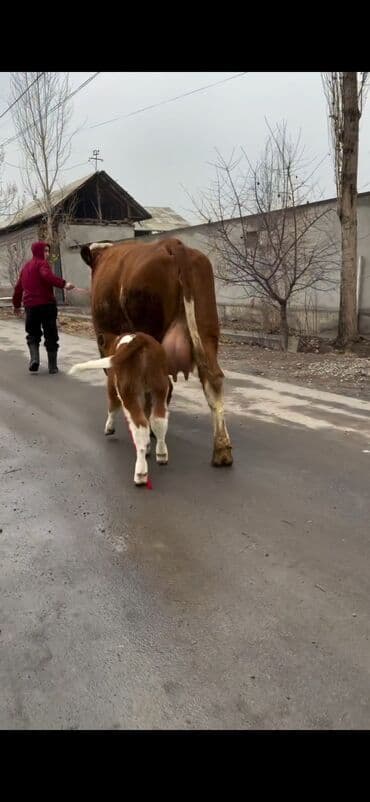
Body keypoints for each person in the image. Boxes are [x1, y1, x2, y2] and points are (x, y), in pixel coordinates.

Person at [12, 241, 75, 374]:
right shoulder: (42, 264)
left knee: (33, 334)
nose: (47, 254)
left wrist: (16, 305)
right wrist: (64, 284)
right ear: (38, 251)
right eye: (45, 251)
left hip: (30, 307)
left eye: (48, 251)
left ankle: (34, 359)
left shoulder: (25, 268)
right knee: (51, 334)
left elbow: (18, 288)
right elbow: (47, 276)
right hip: (47, 305)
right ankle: (52, 366)